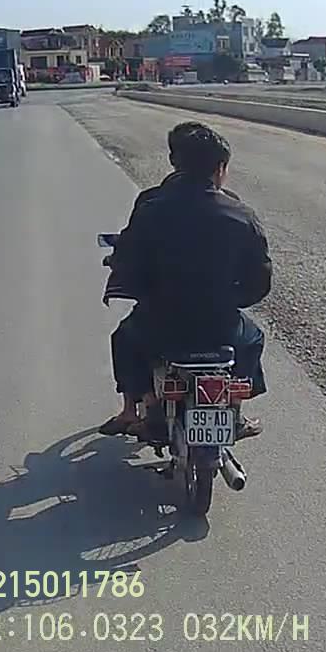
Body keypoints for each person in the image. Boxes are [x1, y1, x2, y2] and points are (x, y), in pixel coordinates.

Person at [98, 121, 272, 440]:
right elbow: (259, 280)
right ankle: (234, 410)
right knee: (253, 338)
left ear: (175, 162)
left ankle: (142, 408)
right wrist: (229, 301)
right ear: (220, 168)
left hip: (159, 323)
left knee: (124, 338)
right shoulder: (241, 214)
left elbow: (129, 260)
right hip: (220, 324)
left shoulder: (150, 207)